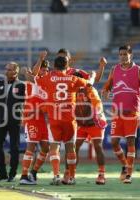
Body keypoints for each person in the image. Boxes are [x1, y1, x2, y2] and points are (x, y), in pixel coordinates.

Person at [102, 45, 140, 184]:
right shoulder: (114, 69)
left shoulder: (138, 70)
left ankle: (129, 174)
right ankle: (125, 165)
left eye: (125, 54)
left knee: (130, 141)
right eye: (121, 54)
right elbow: (107, 86)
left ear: (131, 54)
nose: (123, 57)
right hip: (117, 113)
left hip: (132, 112)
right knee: (114, 143)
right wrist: (105, 92)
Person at [34, 56, 91, 185]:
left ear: (54, 66)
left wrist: (39, 61)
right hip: (69, 119)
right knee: (70, 148)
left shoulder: (48, 78)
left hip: (54, 118)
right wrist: (92, 75)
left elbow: (35, 78)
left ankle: (56, 176)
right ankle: (71, 177)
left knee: (54, 147)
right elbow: (89, 83)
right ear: (67, 66)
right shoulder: (73, 78)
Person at [20, 52, 50, 185]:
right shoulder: (32, 81)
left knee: (45, 148)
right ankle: (24, 176)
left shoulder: (46, 84)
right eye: (43, 69)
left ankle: (33, 172)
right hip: (31, 116)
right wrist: (40, 59)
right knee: (31, 146)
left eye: (47, 69)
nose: (45, 71)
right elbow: (33, 74)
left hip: (41, 119)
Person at [73, 72, 107, 185]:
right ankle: (70, 173)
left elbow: (98, 103)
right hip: (81, 124)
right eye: (75, 79)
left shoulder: (90, 89)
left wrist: (97, 114)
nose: (76, 81)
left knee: (97, 146)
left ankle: (102, 174)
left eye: (78, 79)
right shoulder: (71, 91)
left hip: (94, 123)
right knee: (74, 147)